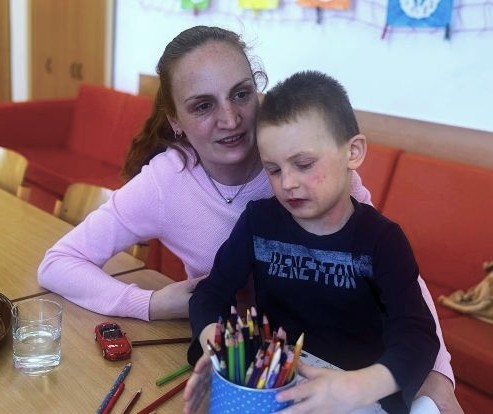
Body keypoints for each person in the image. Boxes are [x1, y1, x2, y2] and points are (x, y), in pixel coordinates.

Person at [36, 26, 460, 412]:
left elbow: (396, 283)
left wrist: (437, 375)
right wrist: (152, 303)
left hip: (350, 373)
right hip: (256, 370)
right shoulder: (173, 187)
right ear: (175, 121)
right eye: (203, 105)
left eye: (241, 94)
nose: (230, 119)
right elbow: (58, 263)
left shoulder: (318, 167)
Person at [187, 70, 440, 412]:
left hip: (358, 396)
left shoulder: (382, 240)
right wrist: (214, 342)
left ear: (353, 152)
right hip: (275, 387)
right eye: (273, 170)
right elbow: (210, 293)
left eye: (303, 164)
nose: (287, 183)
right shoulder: (259, 222)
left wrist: (356, 387)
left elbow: (417, 335)